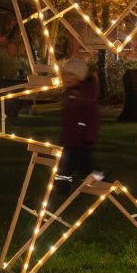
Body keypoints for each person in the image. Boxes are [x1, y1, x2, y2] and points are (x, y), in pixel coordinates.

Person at [54, 58, 101, 198]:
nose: (67, 78)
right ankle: (98, 180)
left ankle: (62, 189)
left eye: (71, 75)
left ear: (79, 76)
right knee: (80, 166)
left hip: (80, 140)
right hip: (69, 138)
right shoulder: (72, 93)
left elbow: (92, 118)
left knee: (68, 167)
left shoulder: (85, 95)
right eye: (65, 74)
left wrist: (89, 136)